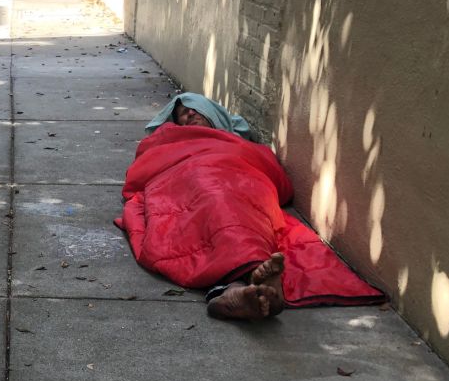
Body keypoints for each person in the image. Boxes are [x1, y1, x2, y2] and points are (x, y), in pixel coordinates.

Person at [117, 92, 383, 322]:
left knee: (234, 203)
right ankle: (254, 277)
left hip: (239, 175)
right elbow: (145, 169)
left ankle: (235, 288)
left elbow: (272, 174)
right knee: (212, 197)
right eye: (182, 116)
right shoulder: (172, 141)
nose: (188, 117)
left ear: (213, 114)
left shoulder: (239, 144)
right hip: (188, 176)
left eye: (193, 110)